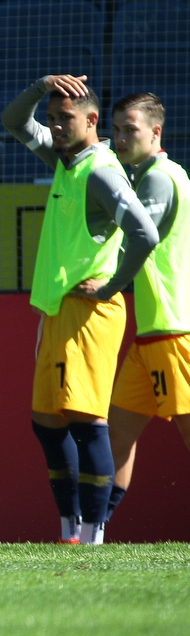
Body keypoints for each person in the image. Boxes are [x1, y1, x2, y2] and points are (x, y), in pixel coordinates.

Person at [1, 74, 159, 545]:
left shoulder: (101, 169)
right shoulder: (65, 160)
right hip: (58, 310)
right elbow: (14, 121)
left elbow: (145, 233)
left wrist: (114, 283)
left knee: (87, 423)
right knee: (47, 423)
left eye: (64, 118)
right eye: (51, 119)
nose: (55, 126)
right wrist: (38, 85)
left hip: (90, 314)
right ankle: (70, 527)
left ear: (92, 120)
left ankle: (94, 531)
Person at [104, 93, 190, 530]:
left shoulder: (158, 177)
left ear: (156, 132)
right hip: (151, 336)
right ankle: (93, 534)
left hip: (176, 333)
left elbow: (142, 241)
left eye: (130, 129)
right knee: (116, 437)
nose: (120, 138)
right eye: (116, 129)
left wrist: (109, 286)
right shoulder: (147, 176)